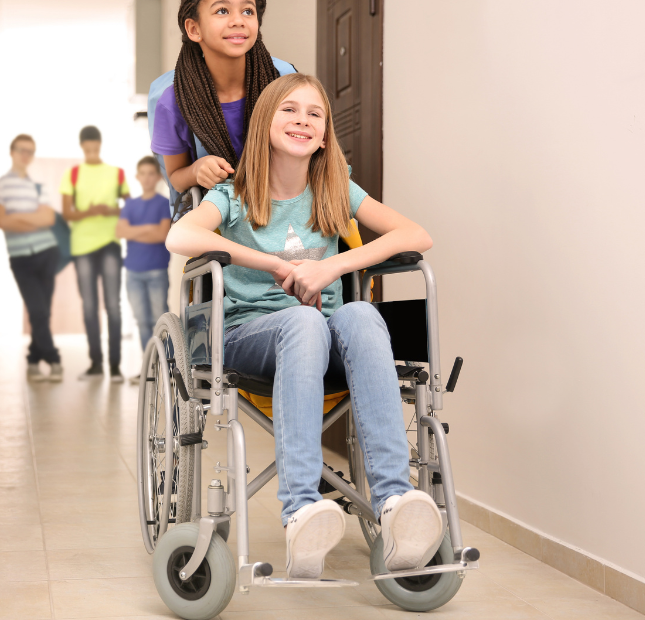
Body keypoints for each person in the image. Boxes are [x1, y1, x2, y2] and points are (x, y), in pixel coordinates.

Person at [166, 74, 444, 579]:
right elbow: (181, 235)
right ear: (265, 122)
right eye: (289, 110)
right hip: (249, 338)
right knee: (302, 321)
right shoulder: (232, 194)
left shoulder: (335, 189)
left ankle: (394, 500)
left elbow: (415, 234)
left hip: (325, 335)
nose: (302, 120)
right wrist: (273, 265)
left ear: (324, 136)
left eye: (314, 114)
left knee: (359, 313)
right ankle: (299, 508)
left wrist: (333, 267)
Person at [149, 0, 296, 211]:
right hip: (217, 218)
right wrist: (196, 171)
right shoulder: (171, 99)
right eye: (222, 10)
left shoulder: (283, 80)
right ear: (194, 29)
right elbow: (175, 176)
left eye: (248, 11)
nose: (238, 20)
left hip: (284, 208)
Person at [0, 134, 63, 383]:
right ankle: (53, 359)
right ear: (11, 152)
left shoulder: (38, 186)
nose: (25, 155)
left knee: (41, 312)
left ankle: (33, 360)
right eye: (21, 150)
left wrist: (18, 217)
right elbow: (2, 221)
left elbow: (49, 220)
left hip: (47, 253)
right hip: (21, 258)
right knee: (38, 310)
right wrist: (33, 217)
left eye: (30, 151)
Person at [60, 126, 129, 382]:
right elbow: (67, 213)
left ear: (100, 145)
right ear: (82, 147)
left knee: (113, 305)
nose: (91, 153)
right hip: (82, 247)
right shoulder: (73, 174)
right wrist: (90, 212)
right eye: (87, 149)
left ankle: (115, 367)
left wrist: (108, 211)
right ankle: (96, 365)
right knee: (89, 307)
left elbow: (129, 207)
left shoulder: (116, 173)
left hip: (109, 243)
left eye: (95, 149)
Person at [116, 157, 172, 385]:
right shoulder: (130, 204)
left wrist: (135, 230)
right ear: (138, 177)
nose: (147, 178)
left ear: (158, 177)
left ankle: (167, 369)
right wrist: (149, 228)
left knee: (160, 319)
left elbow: (161, 235)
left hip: (156, 270)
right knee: (142, 320)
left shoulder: (163, 203)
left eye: (152, 173)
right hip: (133, 272)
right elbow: (120, 231)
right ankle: (148, 367)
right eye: (143, 173)